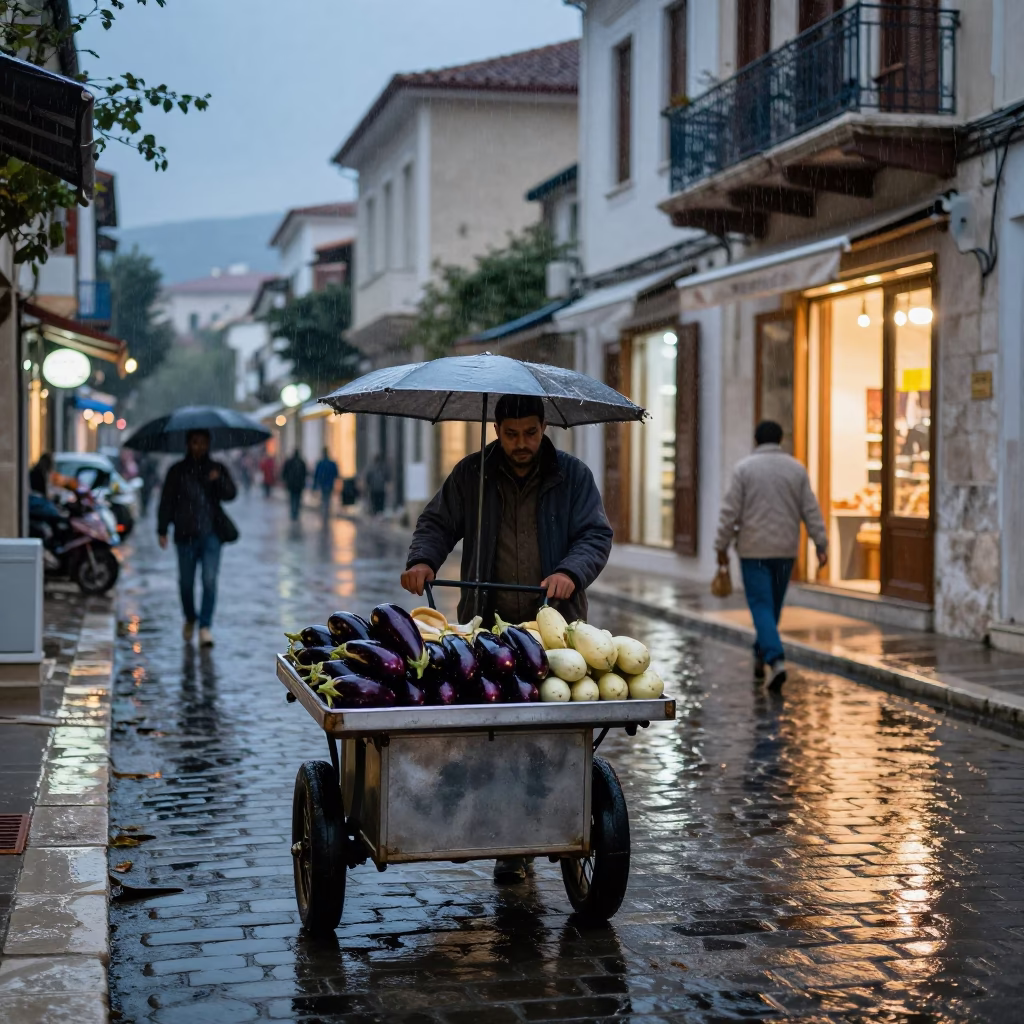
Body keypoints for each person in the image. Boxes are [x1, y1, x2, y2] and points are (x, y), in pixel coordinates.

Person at [401, 394, 613, 882]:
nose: (522, 444)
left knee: (548, 738)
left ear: (543, 428)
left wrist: (570, 571)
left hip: (554, 630)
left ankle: (557, 821)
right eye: (513, 435)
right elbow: (437, 523)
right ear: (497, 430)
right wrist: (422, 560)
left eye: (531, 434)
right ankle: (510, 845)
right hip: (486, 629)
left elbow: (595, 536)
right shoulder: (472, 474)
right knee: (495, 737)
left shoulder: (573, 476)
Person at [714, 420, 828, 693]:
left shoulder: (744, 469)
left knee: (762, 606)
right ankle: (760, 655)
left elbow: (730, 512)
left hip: (753, 552)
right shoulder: (796, 469)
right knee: (772, 607)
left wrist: (721, 546)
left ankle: (775, 660)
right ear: (780, 439)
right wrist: (820, 543)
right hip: (785, 551)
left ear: (756, 440)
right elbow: (810, 509)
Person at [157, 429, 237, 647]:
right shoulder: (177, 471)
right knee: (186, 583)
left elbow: (231, 494)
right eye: (195, 442)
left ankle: (205, 626)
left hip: (212, 534)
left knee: (209, 581)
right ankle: (190, 617)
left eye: (203, 442)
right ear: (188, 444)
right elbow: (167, 501)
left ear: (209, 444)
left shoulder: (217, 468)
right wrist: (162, 529)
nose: (199, 447)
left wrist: (218, 479)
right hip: (185, 535)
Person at [312, 448, 340, 519]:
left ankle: (325, 511)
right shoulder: (331, 463)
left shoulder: (321, 463)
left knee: (325, 498)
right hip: (328, 484)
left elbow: (316, 475)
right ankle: (326, 511)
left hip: (324, 484)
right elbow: (336, 474)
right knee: (327, 498)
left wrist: (315, 485)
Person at [281, 449, 308, 521]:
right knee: (297, 498)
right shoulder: (301, 462)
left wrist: (285, 479)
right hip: (298, 485)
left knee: (292, 498)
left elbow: (284, 472)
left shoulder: (290, 462)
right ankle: (295, 512)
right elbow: (305, 473)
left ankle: (293, 512)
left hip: (292, 484)